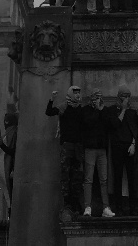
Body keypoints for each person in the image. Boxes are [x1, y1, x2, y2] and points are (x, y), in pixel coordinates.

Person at [46, 85, 85, 216]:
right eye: (75, 92)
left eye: (79, 92)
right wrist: (52, 99)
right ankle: (67, 202)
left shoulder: (80, 108)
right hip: (67, 145)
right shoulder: (64, 107)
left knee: (77, 176)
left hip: (78, 146)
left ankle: (75, 202)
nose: (78, 95)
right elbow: (49, 111)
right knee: (65, 174)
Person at [107, 85, 138, 216]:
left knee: (132, 177)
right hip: (117, 147)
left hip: (129, 146)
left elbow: (135, 130)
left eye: (128, 96)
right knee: (117, 177)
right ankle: (118, 206)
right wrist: (123, 110)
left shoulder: (133, 113)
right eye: (124, 96)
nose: (127, 99)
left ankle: (133, 206)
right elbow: (115, 124)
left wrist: (133, 144)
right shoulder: (112, 111)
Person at [82, 88, 115, 218]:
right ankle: (87, 206)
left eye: (100, 98)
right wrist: (97, 111)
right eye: (96, 98)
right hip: (90, 148)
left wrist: (101, 111)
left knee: (104, 179)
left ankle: (106, 207)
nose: (98, 101)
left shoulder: (104, 111)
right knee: (88, 179)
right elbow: (88, 123)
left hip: (102, 149)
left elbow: (109, 125)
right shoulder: (86, 111)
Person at [0, 107, 18, 209]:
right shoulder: (11, 133)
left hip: (13, 170)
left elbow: (14, 152)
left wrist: (2, 146)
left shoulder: (14, 133)